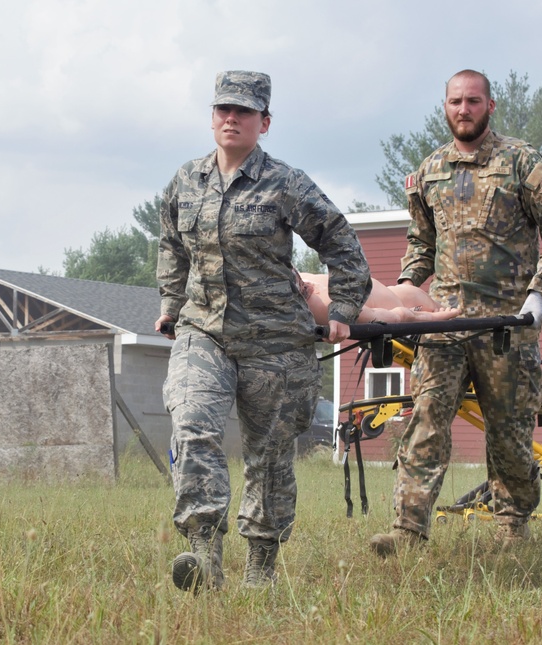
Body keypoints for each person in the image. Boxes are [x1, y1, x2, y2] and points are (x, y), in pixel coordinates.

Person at [155, 70, 372, 591]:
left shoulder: (285, 183)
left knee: (269, 455)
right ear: (212, 117)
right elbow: (170, 245)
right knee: (192, 425)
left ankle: (260, 566)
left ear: (264, 123)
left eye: (244, 112)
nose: (232, 119)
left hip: (274, 342)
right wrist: (169, 302)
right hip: (202, 330)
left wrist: (342, 306)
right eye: (224, 110)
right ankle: (204, 552)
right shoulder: (185, 181)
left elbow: (339, 239)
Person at [369, 69, 542, 557]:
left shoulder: (522, 163)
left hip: (507, 327)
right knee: (425, 420)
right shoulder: (427, 173)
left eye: (473, 101)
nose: (464, 110)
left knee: (509, 436)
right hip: (444, 322)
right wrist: (403, 292)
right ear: (444, 106)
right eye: (455, 102)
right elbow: (421, 243)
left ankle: (512, 526)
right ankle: (407, 531)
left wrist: (539, 293)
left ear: (491, 105)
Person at [295, 271, 461, 325]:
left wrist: (433, 316)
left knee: (458, 314)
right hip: (384, 296)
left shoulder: (328, 306)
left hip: (401, 300)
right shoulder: (290, 278)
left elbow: (399, 315)